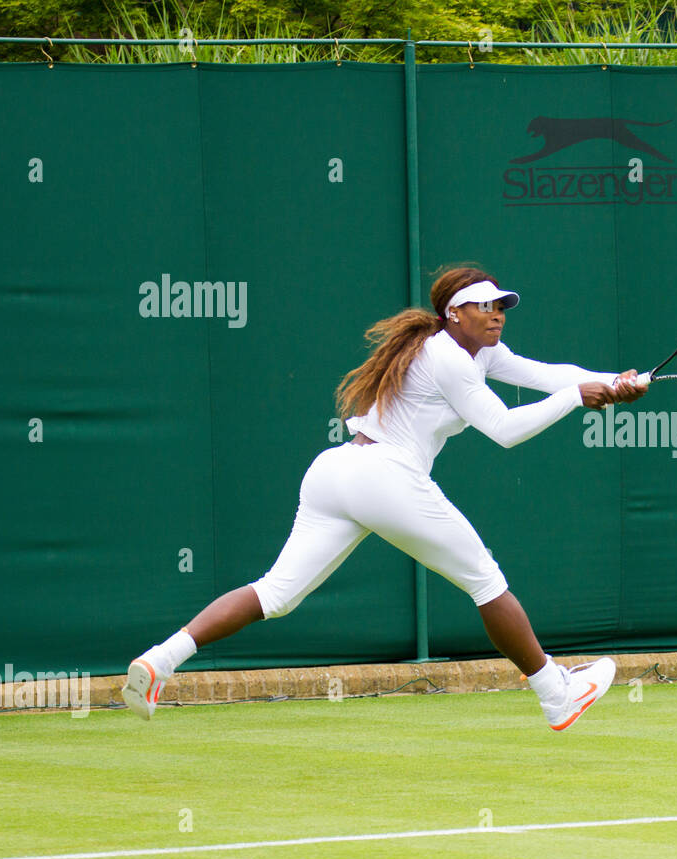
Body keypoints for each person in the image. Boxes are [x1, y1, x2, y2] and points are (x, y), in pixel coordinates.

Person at [122, 266, 647, 730]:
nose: (497, 315)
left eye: (501, 306)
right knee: (485, 580)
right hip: (385, 476)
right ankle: (556, 695)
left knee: (275, 595)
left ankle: (159, 661)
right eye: (484, 307)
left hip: (336, 471)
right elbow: (505, 429)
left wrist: (613, 381)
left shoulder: (474, 351)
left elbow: (544, 374)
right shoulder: (451, 360)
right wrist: (575, 400)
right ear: (454, 314)